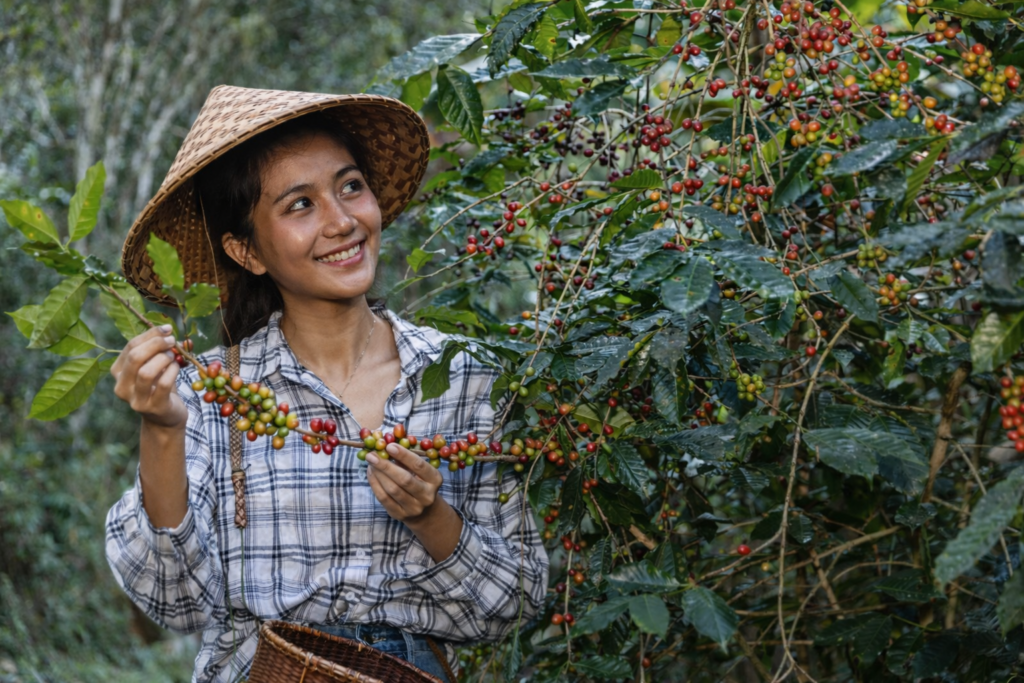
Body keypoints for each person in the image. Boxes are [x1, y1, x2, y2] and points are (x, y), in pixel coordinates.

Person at [105, 85, 549, 683]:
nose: (342, 222)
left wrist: (431, 516)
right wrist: (161, 430)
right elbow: (175, 600)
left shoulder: (462, 376)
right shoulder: (213, 392)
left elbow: (518, 600)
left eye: (350, 187)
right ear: (247, 250)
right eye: (299, 205)